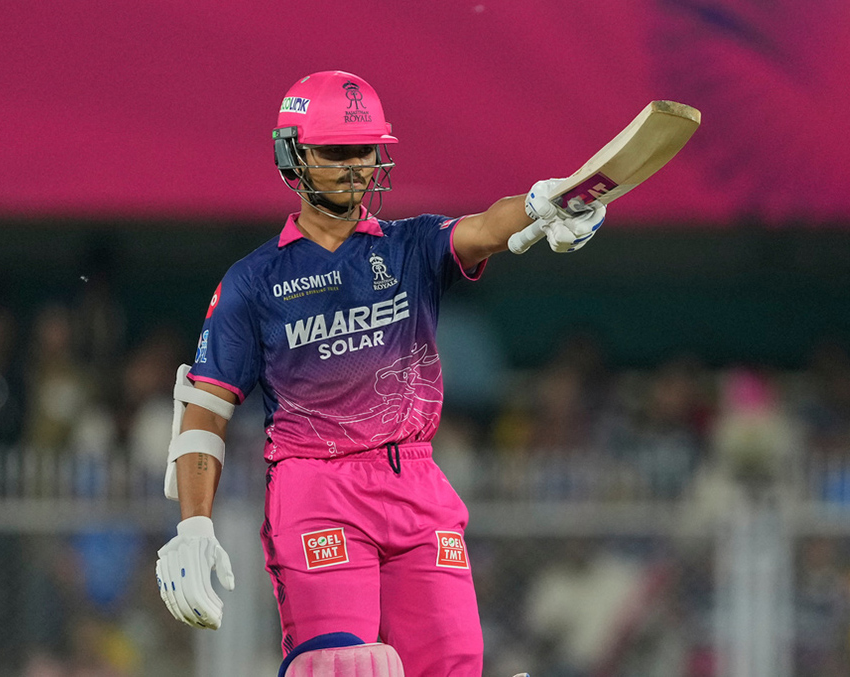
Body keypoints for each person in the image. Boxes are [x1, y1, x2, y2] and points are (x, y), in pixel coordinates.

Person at [154, 70, 604, 676]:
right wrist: (193, 526)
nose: (354, 167)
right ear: (294, 154)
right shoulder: (253, 282)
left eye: (365, 150)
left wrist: (540, 206)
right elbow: (204, 409)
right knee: (344, 667)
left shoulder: (410, 246)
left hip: (417, 486)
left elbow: (484, 229)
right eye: (335, 152)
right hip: (317, 489)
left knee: (454, 667)